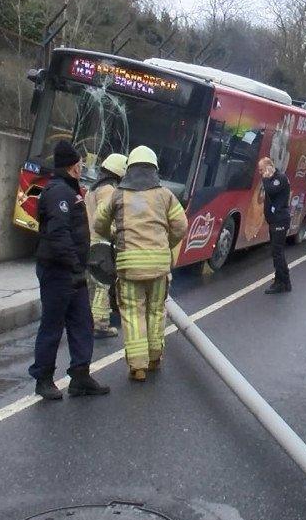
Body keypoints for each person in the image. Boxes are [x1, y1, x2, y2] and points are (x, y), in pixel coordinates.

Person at [92, 146, 188, 382]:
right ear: (154, 168)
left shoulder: (117, 194)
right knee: (156, 310)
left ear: (130, 168)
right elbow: (181, 226)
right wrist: (166, 243)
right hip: (158, 266)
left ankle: (138, 367)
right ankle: (155, 358)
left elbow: (98, 223)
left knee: (133, 314)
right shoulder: (165, 195)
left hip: (129, 265)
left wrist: (113, 236)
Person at [29, 141, 110, 400]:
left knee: (82, 323)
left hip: (72, 271)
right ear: (72, 166)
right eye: (79, 164)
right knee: (52, 325)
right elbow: (58, 233)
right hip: (58, 271)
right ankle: (43, 379)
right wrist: (75, 265)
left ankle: (80, 376)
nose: (82, 167)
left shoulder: (69, 190)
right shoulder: (58, 193)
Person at [87, 153, 128, 339]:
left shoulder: (92, 189)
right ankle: (100, 324)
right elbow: (102, 219)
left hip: (88, 243)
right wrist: (116, 233)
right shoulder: (108, 191)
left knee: (92, 286)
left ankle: (89, 320)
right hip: (101, 244)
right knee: (103, 285)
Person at [258, 157, 292, 294]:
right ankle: (282, 280)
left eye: (261, 169)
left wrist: (266, 178)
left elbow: (271, 190)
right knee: (276, 252)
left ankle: (282, 282)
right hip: (274, 220)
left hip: (280, 220)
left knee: (277, 252)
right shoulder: (273, 179)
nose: (260, 173)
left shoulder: (280, 178)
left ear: (268, 167)